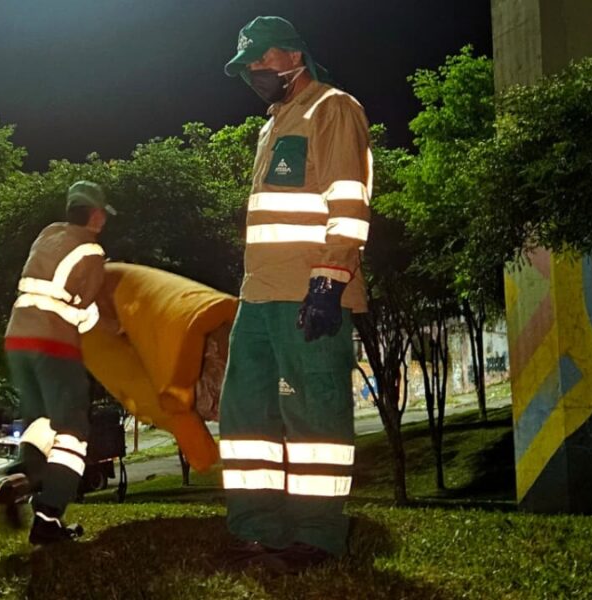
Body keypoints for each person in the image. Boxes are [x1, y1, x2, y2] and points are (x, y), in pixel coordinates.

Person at [218, 16, 373, 573]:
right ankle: (257, 530)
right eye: (246, 66)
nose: (253, 73)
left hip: (310, 291)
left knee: (315, 415)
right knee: (245, 415)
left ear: (293, 57)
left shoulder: (332, 108)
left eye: (261, 61)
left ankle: (317, 537)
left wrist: (330, 281)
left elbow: (350, 204)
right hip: (258, 295)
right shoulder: (271, 125)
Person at [2, 180, 117, 545]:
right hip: (53, 344)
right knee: (73, 433)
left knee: (40, 425)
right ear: (96, 215)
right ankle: (48, 517)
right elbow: (85, 312)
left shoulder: (47, 234)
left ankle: (25, 481)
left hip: (17, 337)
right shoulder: (92, 252)